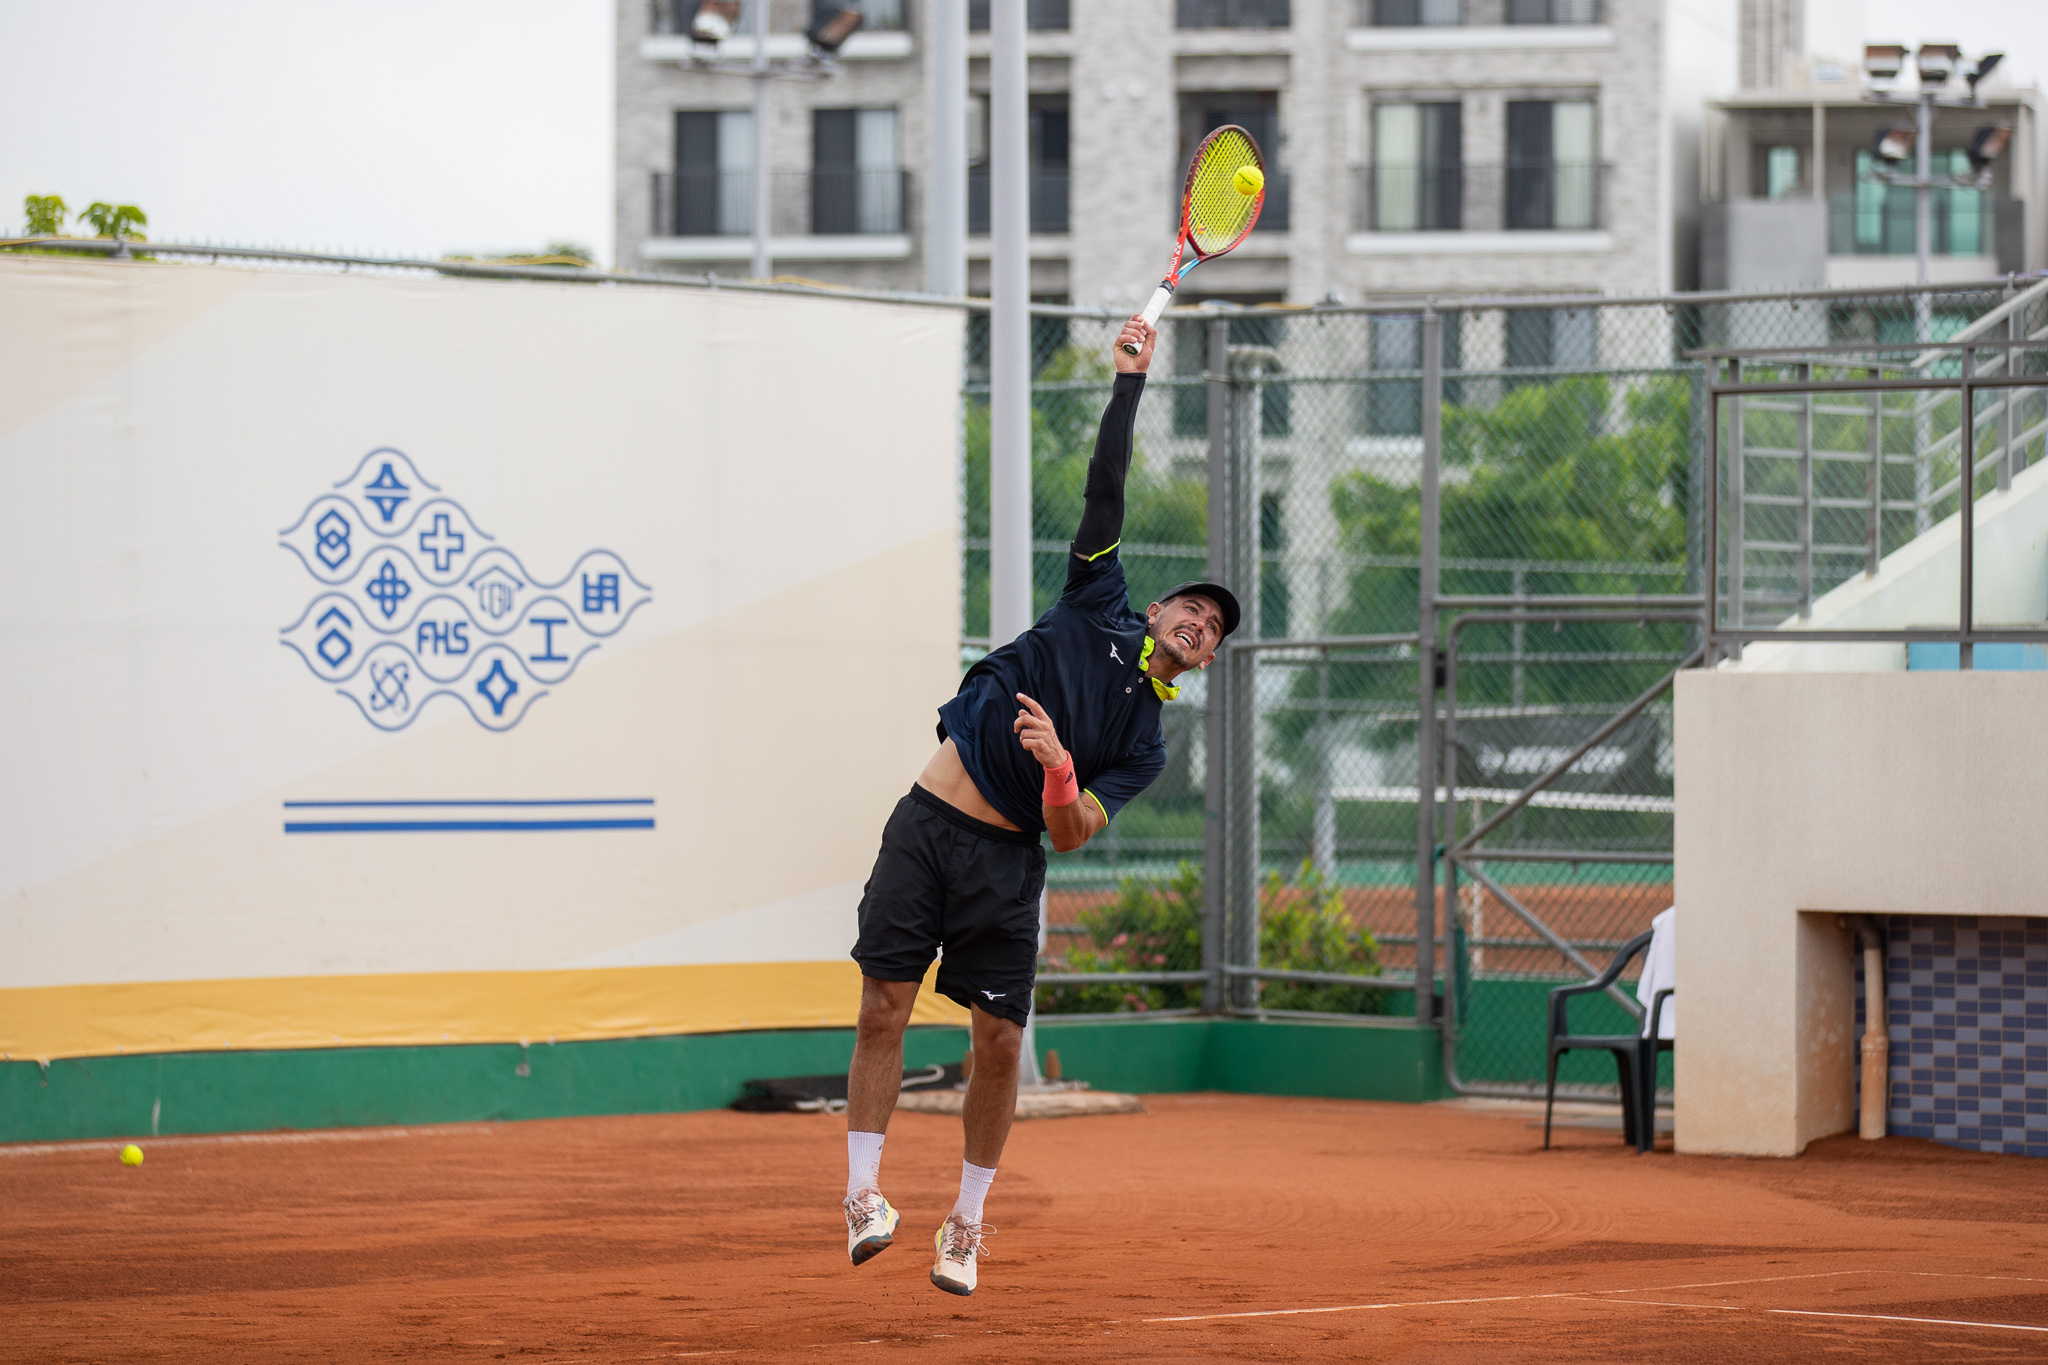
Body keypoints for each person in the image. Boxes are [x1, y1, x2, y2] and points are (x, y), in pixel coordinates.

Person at [840, 314, 1240, 1297]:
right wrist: (1127, 383)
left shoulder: (1142, 745)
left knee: (1000, 1040)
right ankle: (862, 1196)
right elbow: (1107, 481)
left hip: (1008, 862)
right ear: (1155, 612)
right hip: (927, 825)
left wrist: (1061, 769)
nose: (1199, 622)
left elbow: (1069, 833)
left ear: (1207, 660)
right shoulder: (1093, 600)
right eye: (1192, 608)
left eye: (1215, 630)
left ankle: (965, 1227)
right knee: (881, 1005)